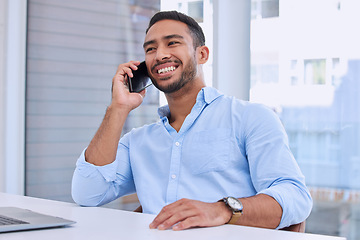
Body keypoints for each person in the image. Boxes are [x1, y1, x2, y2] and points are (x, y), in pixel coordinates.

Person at [71, 10, 312, 231]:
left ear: (202, 54)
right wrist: (118, 108)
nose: (160, 55)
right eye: (150, 49)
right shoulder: (138, 141)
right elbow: (87, 193)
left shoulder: (250, 118)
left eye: (172, 43)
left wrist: (222, 209)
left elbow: (295, 196)